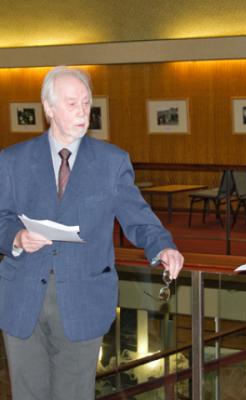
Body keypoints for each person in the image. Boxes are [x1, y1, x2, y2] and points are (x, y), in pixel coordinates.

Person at [0, 66, 184, 400]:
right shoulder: (12, 160)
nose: (83, 111)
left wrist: (163, 247)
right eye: (72, 103)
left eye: (86, 102)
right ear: (49, 108)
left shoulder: (112, 162)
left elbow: (138, 218)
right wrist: (16, 237)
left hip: (83, 300)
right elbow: (1, 217)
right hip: (21, 297)